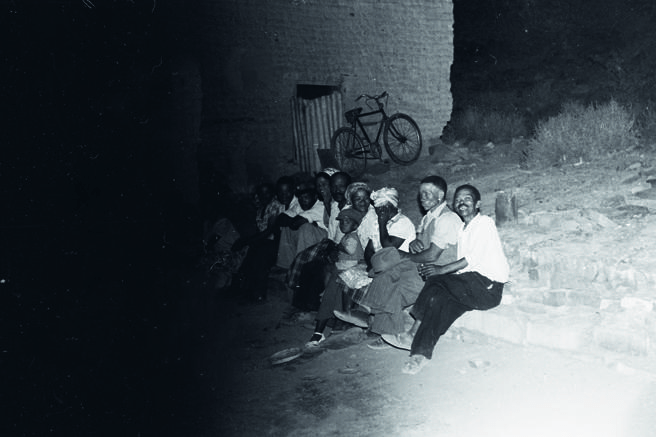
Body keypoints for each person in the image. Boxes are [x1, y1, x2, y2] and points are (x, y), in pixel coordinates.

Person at [382, 184, 510, 375]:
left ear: (478, 204)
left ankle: (412, 332)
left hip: (488, 288)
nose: (462, 202)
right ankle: (420, 354)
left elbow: (471, 259)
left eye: (467, 199)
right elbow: (464, 268)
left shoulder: (484, 223)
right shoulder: (463, 230)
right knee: (439, 301)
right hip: (470, 287)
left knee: (436, 279)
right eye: (458, 200)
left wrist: (441, 270)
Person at [343, 177, 463, 349]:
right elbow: (420, 242)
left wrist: (406, 256)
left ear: (440, 195)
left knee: (396, 285)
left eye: (428, 193)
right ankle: (375, 321)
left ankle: (384, 327)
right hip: (422, 266)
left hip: (438, 270)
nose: (422, 198)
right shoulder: (428, 217)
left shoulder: (447, 218)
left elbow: (432, 255)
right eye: (421, 193)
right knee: (385, 273)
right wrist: (415, 242)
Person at [332, 187, 416, 329]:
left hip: (398, 265)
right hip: (378, 264)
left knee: (380, 279)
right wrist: (371, 264)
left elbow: (389, 247)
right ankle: (349, 315)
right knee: (349, 274)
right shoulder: (377, 222)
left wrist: (382, 223)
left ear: (392, 206)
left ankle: (365, 316)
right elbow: (369, 249)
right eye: (377, 207)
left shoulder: (402, 222)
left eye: (383, 207)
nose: (379, 211)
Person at [284, 171, 352, 314]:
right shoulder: (335, 206)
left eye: (341, 186)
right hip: (333, 244)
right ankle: (301, 307)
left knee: (319, 268)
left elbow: (349, 239)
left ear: (348, 187)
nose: (337, 190)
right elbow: (332, 234)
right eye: (334, 186)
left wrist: (332, 249)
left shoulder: (351, 208)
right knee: (306, 263)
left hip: (347, 250)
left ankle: (309, 307)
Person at [305, 207, 365, 347]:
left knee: (333, 295)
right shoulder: (347, 236)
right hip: (341, 269)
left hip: (349, 270)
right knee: (331, 295)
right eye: (341, 222)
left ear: (356, 225)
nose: (342, 224)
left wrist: (338, 247)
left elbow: (350, 250)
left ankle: (324, 331)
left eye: (347, 222)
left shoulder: (353, 237)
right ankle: (322, 331)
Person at [231, 177, 293, 301]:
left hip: (275, 242)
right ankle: (242, 289)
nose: (265, 196)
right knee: (251, 254)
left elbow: (270, 231)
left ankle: (257, 293)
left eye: (267, 193)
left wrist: (247, 241)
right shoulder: (261, 209)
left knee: (259, 254)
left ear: (273, 193)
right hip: (266, 241)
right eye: (262, 193)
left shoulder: (275, 205)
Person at [275, 174, 327, 270]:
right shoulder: (300, 204)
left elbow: (295, 223)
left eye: (306, 197)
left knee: (305, 227)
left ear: (315, 196)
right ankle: (285, 266)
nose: (303, 201)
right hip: (310, 240)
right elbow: (281, 219)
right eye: (300, 198)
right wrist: (294, 221)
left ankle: (301, 267)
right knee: (287, 228)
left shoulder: (320, 206)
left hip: (325, 242)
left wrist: (296, 221)